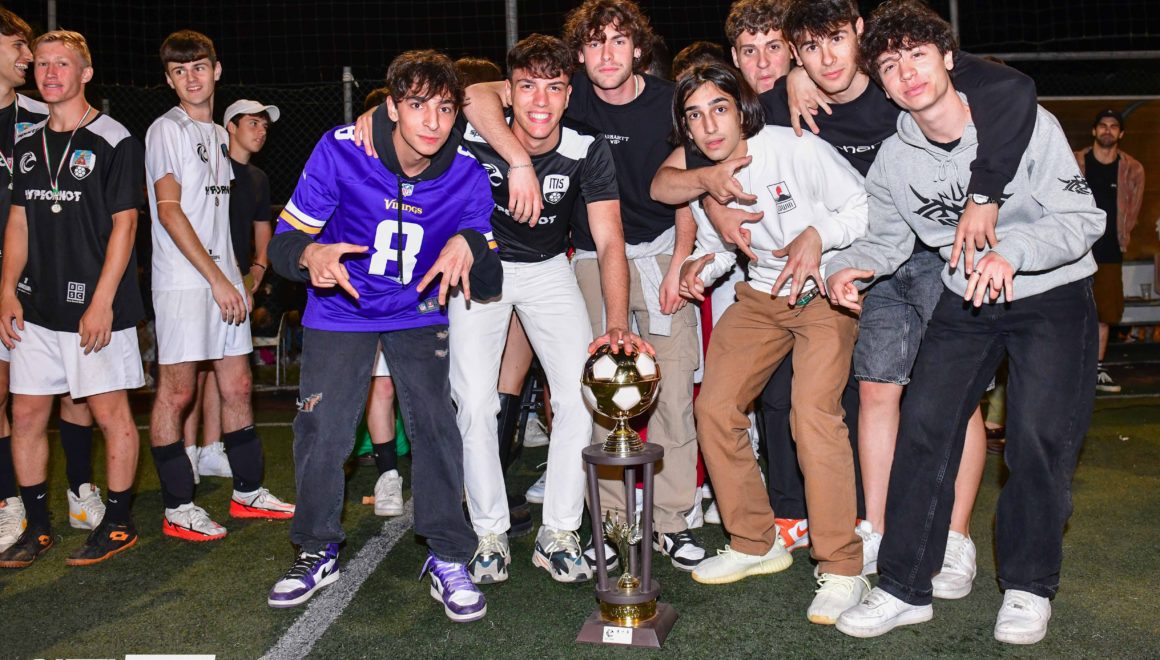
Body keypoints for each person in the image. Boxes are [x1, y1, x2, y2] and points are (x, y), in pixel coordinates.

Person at [654, 0, 1038, 589]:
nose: (825, 58)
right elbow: (675, 181)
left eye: (835, 40)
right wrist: (704, 229)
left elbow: (1011, 90)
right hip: (851, 270)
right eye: (809, 48)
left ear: (859, 33)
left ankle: (937, 540)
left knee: (943, 398)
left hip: (924, 255)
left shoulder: (891, 83)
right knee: (854, 395)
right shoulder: (775, 106)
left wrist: (983, 196)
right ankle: (827, 534)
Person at [828, 1, 1103, 644]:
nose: (907, 73)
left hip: (1052, 293)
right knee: (923, 427)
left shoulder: (1023, 126)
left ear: (949, 59)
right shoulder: (895, 159)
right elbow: (888, 239)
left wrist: (1015, 252)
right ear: (883, 84)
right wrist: (849, 267)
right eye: (889, 65)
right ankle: (904, 587)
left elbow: (1083, 219)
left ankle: (1028, 587)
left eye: (918, 55)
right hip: (966, 299)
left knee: (1037, 440)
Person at [461, 0, 706, 571]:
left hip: (648, 252)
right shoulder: (548, 104)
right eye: (594, 43)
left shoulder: (662, 104)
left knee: (660, 388)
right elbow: (471, 94)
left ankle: (648, 524)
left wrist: (681, 257)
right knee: (538, 396)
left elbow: (691, 175)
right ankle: (585, 526)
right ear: (578, 58)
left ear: (638, 49)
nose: (607, 54)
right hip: (551, 261)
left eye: (619, 41)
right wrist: (518, 160)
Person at [265, 50, 501, 623]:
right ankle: (316, 548)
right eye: (417, 105)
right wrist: (310, 256)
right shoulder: (341, 151)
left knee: (437, 424)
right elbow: (282, 245)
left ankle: (448, 554)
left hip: (417, 308)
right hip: (341, 305)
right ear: (392, 107)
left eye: (444, 108)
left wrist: (471, 243)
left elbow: (491, 279)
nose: (431, 121)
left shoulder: (467, 172)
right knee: (322, 426)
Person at [655, 62, 869, 624]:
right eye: (694, 115)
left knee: (812, 414)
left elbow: (862, 208)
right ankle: (755, 541)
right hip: (760, 294)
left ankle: (843, 566)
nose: (708, 125)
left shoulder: (794, 148)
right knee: (714, 407)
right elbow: (723, 249)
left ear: (741, 109)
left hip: (822, 289)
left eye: (719, 109)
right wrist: (701, 268)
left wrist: (817, 236)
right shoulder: (706, 178)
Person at [451, 34, 645, 584]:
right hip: (483, 265)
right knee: (474, 400)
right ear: (507, 92)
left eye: (554, 87)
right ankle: (489, 532)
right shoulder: (476, 133)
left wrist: (615, 324)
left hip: (547, 267)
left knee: (580, 393)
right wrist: (517, 161)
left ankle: (558, 531)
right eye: (527, 86)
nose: (540, 100)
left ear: (569, 94)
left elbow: (609, 239)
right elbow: (461, 96)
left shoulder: (585, 146)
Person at [0, 30, 146, 567]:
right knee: (27, 413)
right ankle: (38, 527)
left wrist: (103, 300)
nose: (49, 73)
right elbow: (18, 223)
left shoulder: (114, 138)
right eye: (41, 64)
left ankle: (118, 522)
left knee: (111, 415)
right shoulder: (27, 143)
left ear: (85, 73)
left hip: (93, 307)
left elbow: (126, 225)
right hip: (36, 306)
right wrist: (6, 291)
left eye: (62, 64)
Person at [145, 31, 294, 542]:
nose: (191, 78)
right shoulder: (166, 130)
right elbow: (169, 211)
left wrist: (239, 278)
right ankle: (177, 507)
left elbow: (217, 221)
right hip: (184, 284)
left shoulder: (215, 136)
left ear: (216, 71)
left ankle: (247, 491)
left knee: (238, 385)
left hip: (222, 282)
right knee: (178, 391)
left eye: (199, 67)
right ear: (169, 79)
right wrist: (215, 278)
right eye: (179, 71)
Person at [1074, 108, 1145, 393]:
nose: (1107, 130)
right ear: (1094, 130)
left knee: (1105, 312)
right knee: (1070, 309)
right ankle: (1071, 369)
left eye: (1114, 126)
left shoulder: (1133, 169)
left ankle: (1097, 369)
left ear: (1121, 133)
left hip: (1110, 251)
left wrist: (1122, 238)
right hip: (1075, 250)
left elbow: (1133, 210)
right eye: (1102, 125)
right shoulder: (1075, 161)